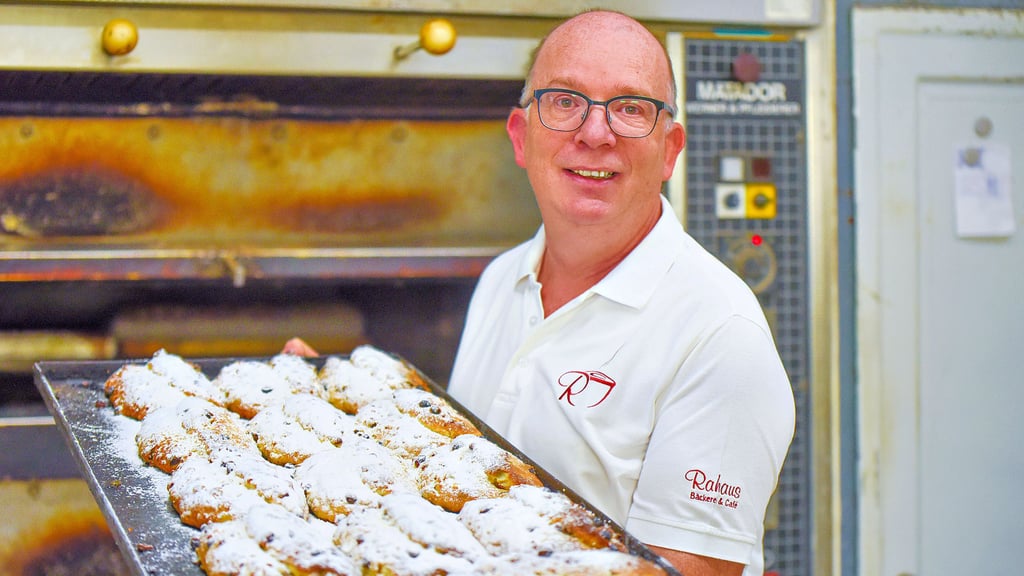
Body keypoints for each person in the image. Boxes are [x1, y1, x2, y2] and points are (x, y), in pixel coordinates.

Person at [288, 10, 794, 576]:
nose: (595, 132)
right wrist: (344, 415)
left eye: (629, 108)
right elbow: (465, 487)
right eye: (565, 101)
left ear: (670, 150)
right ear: (520, 137)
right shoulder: (502, 280)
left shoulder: (719, 335)